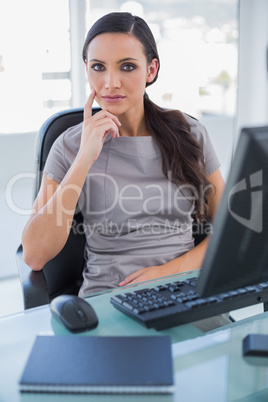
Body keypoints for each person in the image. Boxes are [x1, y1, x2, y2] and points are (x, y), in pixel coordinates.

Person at [22, 12, 225, 299]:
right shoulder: (69, 145)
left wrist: (169, 271)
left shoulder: (190, 133)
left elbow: (234, 230)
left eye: (127, 67)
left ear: (151, 70)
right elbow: (34, 256)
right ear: (86, 69)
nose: (110, 82)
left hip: (185, 290)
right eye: (98, 67)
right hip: (110, 299)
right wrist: (83, 159)